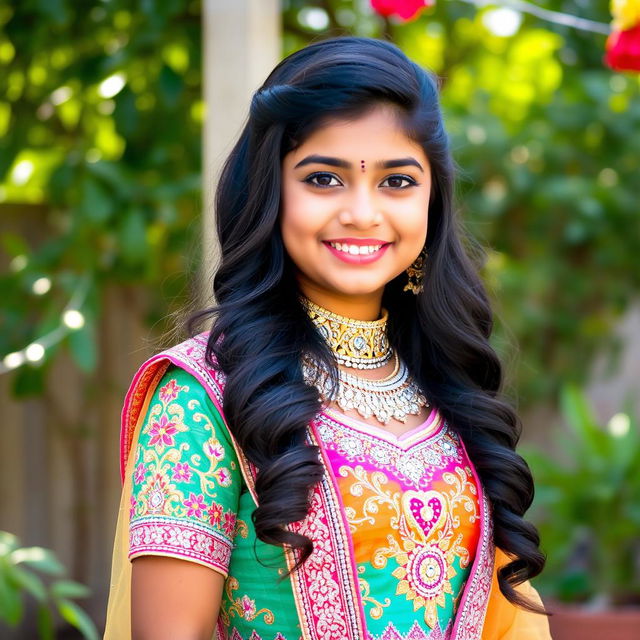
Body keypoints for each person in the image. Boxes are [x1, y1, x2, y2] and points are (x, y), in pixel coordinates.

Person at [104, 36, 552, 640]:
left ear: (434, 202)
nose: (363, 213)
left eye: (397, 182)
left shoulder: (448, 390)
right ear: (270, 190)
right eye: (324, 179)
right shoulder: (202, 397)